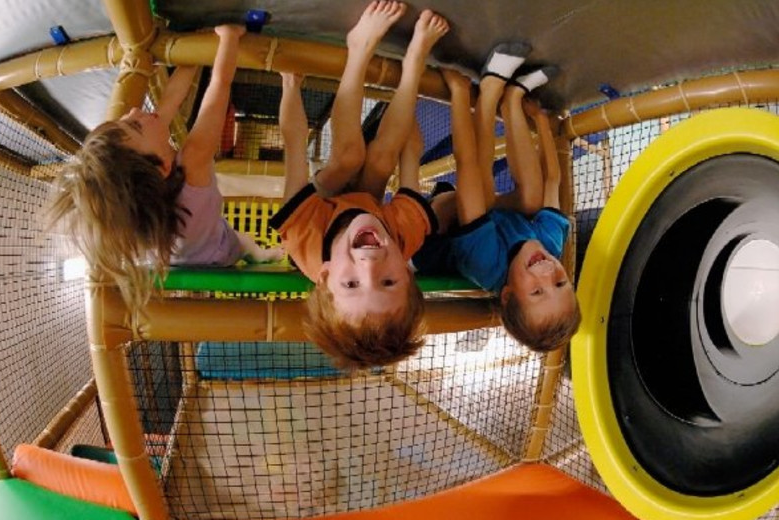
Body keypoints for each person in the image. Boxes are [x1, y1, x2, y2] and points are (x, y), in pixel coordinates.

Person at [48, 25, 284, 312]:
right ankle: (261, 254)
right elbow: (219, 87)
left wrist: (195, 48)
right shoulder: (193, 160)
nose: (134, 111)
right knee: (245, 243)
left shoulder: (150, 168)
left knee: (231, 234)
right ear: (161, 167)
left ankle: (257, 252)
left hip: (183, 245)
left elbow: (170, 100)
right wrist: (229, 37)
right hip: (219, 252)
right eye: (133, 124)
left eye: (126, 119)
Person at [270, 1, 449, 369]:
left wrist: (291, 83)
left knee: (349, 157)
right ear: (406, 268)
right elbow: (411, 154)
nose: (369, 266)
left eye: (351, 285)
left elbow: (293, 142)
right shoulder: (405, 235)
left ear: (324, 275)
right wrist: (408, 89)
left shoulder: (300, 234)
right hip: (367, 205)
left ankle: (359, 48)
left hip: (322, 204)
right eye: (388, 282)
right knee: (384, 156)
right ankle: (415, 59)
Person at [412, 47, 581, 352]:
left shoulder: (485, 263)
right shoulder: (551, 244)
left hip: (437, 226)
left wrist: (463, 95)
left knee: (484, 191)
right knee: (533, 199)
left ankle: (491, 90)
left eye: (537, 292)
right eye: (560, 284)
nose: (548, 274)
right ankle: (512, 98)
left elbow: (469, 168)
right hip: (489, 217)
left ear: (506, 294)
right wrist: (541, 119)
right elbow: (553, 180)